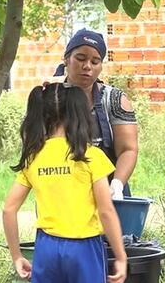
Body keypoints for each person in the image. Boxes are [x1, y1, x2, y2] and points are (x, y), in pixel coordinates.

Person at [2, 83, 128, 283]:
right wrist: (121, 256)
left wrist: (18, 255)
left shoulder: (35, 156)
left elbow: (9, 209)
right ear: (77, 114)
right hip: (84, 251)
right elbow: (107, 211)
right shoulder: (90, 156)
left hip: (47, 250)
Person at [53, 28, 138, 200]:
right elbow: (35, 148)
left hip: (108, 195)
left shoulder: (114, 99)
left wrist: (117, 185)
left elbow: (128, 149)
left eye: (95, 61)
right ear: (66, 59)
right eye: (80, 58)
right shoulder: (49, 98)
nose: (87, 66)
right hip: (61, 199)